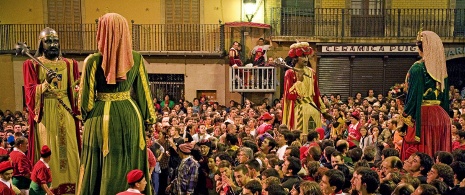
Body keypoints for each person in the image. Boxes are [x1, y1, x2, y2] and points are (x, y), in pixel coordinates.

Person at [77, 13, 156, 194]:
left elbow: (86, 101)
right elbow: (144, 93)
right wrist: (149, 119)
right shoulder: (137, 59)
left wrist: (84, 117)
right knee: (131, 157)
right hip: (131, 114)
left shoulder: (93, 60)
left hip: (101, 117)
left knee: (102, 162)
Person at [23, 27, 80, 193]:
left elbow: (74, 91)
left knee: (69, 149)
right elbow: (30, 93)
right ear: (41, 43)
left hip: (67, 111)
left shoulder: (70, 64)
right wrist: (45, 84)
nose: (53, 44)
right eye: (48, 41)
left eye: (55, 41)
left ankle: (74, 188)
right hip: (46, 113)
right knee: (50, 150)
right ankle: (50, 188)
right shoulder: (32, 64)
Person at [400, 30, 451, 160]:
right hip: (441, 116)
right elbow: (445, 99)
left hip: (423, 115)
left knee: (421, 151)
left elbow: (412, 97)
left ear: (420, 48)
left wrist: (404, 119)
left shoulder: (417, 68)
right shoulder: (441, 70)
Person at [282, 42, 327, 134]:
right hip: (299, 110)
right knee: (301, 136)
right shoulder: (290, 73)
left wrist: (323, 110)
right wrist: (299, 81)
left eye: (306, 56)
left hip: (313, 109)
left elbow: (316, 93)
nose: (306, 59)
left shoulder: (311, 72)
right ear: (295, 58)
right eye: (302, 56)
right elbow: (289, 96)